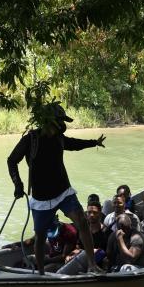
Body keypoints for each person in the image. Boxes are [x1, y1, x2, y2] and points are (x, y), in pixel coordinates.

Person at [7, 101, 105, 275]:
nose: (62, 124)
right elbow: (12, 160)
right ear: (48, 121)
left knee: (82, 222)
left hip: (63, 192)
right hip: (41, 199)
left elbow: (73, 144)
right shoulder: (31, 139)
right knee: (40, 237)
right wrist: (18, 184)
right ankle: (42, 274)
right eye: (59, 120)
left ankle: (92, 265)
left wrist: (93, 143)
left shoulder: (58, 138)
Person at [58, 202, 110, 275]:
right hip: (81, 259)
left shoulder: (107, 232)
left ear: (100, 214)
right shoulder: (83, 231)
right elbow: (78, 247)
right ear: (86, 214)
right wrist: (70, 255)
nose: (91, 215)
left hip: (98, 262)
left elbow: (107, 254)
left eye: (95, 213)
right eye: (89, 212)